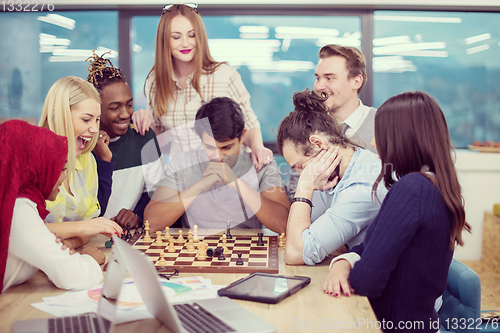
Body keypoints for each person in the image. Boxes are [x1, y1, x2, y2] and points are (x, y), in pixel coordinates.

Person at [323, 92, 471, 333]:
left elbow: (365, 281)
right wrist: (343, 262)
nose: (373, 142)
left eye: (380, 134)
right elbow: (374, 246)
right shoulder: (431, 184)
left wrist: (350, 267)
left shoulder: (413, 189)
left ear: (402, 138)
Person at [131, 4, 273, 171]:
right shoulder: (155, 81)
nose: (185, 43)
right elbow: (159, 135)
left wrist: (258, 147)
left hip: (227, 172)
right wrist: (142, 121)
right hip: (185, 175)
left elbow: (248, 123)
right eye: (176, 37)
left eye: (192, 35)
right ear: (164, 40)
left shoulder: (224, 75)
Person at [144, 97, 290, 234]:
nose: (218, 157)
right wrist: (200, 185)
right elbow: (151, 223)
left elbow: (285, 225)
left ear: (242, 137)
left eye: (226, 148)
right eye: (210, 148)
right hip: (195, 253)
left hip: (246, 255)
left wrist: (237, 183)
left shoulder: (261, 164)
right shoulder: (183, 163)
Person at [276, 89, 386, 266]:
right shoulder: (333, 174)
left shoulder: (363, 183)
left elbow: (296, 252)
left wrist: (305, 186)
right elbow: (301, 232)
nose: (301, 174)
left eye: (301, 167)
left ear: (318, 144)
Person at [1, 120, 105, 293]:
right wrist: (90, 259)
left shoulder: (15, 201)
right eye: (62, 168)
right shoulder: (17, 209)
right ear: (37, 168)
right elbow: (75, 276)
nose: (65, 177)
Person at [39, 76, 122, 250]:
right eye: (86, 119)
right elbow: (23, 231)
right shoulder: (32, 161)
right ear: (56, 114)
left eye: (97, 120)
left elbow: (90, 227)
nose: (94, 129)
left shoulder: (88, 160)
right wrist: (82, 228)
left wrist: (71, 243)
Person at [286, 44, 377, 200]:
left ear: (356, 81)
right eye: (317, 78)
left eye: (329, 78)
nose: (319, 86)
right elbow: (295, 195)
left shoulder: (383, 126)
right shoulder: (308, 128)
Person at [86, 52, 164, 229]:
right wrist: (101, 159)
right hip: (89, 238)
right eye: (115, 107)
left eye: (129, 104)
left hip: (129, 238)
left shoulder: (144, 138)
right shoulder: (81, 146)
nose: (125, 114)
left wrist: (137, 213)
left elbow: (155, 194)